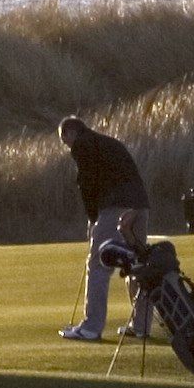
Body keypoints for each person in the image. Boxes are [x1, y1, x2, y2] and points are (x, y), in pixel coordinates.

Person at [57, 116, 152, 343]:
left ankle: (91, 327)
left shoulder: (83, 145)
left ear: (71, 133)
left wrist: (93, 218)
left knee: (99, 263)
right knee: (137, 262)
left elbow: (87, 184)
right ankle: (141, 325)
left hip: (115, 207)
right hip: (139, 206)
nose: (66, 146)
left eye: (64, 140)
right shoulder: (108, 142)